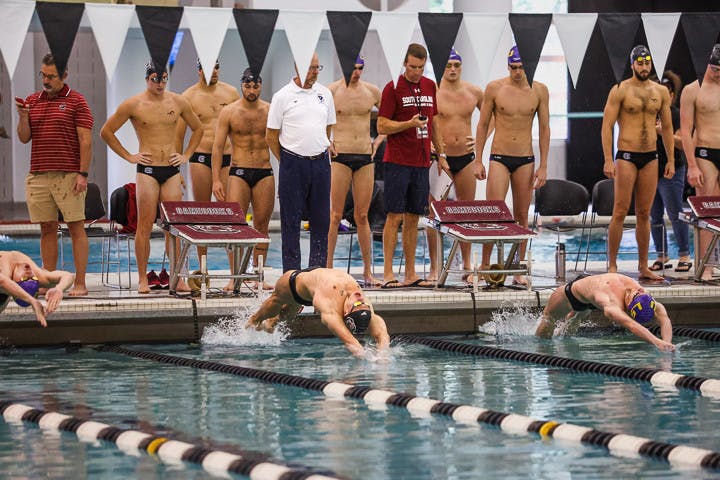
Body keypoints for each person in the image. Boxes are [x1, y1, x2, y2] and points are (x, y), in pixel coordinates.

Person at [101, 61, 203, 293]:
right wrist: (129, 156)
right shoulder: (133, 104)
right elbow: (106, 131)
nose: (159, 83)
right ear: (147, 79)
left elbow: (199, 129)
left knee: (174, 228)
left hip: (171, 170)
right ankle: (142, 278)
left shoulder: (178, 101)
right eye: (155, 79)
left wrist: (186, 155)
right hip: (147, 172)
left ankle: (177, 278)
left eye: (163, 79)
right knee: (144, 226)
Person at [15, 53, 93, 296]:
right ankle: (47, 281)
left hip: (68, 175)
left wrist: (83, 173)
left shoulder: (77, 101)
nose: (46, 81)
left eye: (51, 76)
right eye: (43, 75)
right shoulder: (32, 101)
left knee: (75, 227)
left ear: (64, 75)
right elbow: (24, 137)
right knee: (47, 228)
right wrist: (23, 117)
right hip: (38, 174)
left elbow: (86, 141)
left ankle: (80, 283)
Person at [474, 46, 549, 286]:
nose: (517, 72)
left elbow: (545, 128)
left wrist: (544, 165)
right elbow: (483, 124)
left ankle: (516, 268)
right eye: (513, 67)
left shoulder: (539, 90)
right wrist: (477, 159)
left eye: (520, 67)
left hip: (526, 159)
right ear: (508, 66)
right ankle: (486, 267)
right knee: (491, 214)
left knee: (520, 216)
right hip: (499, 157)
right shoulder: (495, 89)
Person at [377, 43, 448, 289]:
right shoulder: (392, 88)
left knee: (413, 218)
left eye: (420, 67)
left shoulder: (430, 86)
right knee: (394, 216)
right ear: (404, 64)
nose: (416, 72)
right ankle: (387, 272)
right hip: (397, 161)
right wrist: (407, 124)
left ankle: (410, 273)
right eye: (412, 67)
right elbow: (382, 126)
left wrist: (441, 153)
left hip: (421, 162)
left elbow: (434, 123)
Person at [601, 45, 675, 281]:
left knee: (645, 213)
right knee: (620, 211)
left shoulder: (661, 91)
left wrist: (671, 159)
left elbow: (668, 128)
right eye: (640, 63)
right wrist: (607, 159)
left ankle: (643, 266)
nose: (644, 68)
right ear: (632, 64)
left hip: (651, 157)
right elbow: (606, 126)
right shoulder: (620, 90)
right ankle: (612, 265)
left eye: (647, 63)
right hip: (627, 156)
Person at [266, 52, 336, 272]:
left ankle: (316, 272)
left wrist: (316, 147)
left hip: (321, 164)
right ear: (297, 67)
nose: (315, 73)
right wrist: (288, 159)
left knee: (321, 221)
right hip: (292, 164)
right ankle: (292, 275)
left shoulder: (325, 94)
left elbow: (328, 127)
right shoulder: (282, 96)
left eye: (317, 68)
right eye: (311, 68)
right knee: (290, 222)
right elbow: (271, 135)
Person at [212, 68, 274, 290]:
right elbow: (218, 147)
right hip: (237, 172)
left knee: (261, 227)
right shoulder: (229, 111)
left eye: (255, 85)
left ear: (260, 85)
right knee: (234, 226)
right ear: (242, 85)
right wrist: (216, 180)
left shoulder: (270, 110)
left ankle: (258, 276)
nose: (251, 90)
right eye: (247, 86)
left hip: (264, 172)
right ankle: (234, 276)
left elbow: (280, 142)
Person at [427, 48, 484, 282]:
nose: (452, 69)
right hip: (440, 160)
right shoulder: (433, 92)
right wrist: (431, 145)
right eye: (448, 65)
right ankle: (434, 267)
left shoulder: (474, 92)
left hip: (466, 159)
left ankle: (467, 265)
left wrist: (480, 139)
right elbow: (423, 120)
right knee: (433, 214)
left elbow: (490, 118)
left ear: (461, 67)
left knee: (467, 211)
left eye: (456, 65)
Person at [326, 56, 383, 286]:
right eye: (354, 68)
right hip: (340, 157)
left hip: (364, 157)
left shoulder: (371, 91)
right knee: (335, 216)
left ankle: (368, 272)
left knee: (362, 216)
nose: (357, 72)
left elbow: (391, 117)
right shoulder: (331, 91)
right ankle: (328, 268)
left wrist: (378, 140)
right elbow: (316, 118)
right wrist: (326, 140)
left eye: (361, 68)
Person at [176, 59, 240, 266]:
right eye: (208, 68)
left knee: (230, 213)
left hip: (228, 158)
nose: (213, 72)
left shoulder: (231, 93)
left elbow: (239, 128)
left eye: (217, 67)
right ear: (199, 70)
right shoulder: (188, 97)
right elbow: (179, 135)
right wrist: (178, 168)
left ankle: (233, 271)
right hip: (201, 157)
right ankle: (203, 269)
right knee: (202, 213)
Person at [247, 268, 390, 357]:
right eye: (363, 304)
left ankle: (272, 322)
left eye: (359, 304)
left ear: (346, 311)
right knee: (273, 305)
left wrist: (381, 355)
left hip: (316, 292)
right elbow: (351, 342)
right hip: (295, 284)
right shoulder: (348, 301)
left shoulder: (345, 307)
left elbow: (378, 332)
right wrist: (378, 356)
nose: (360, 298)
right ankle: (252, 321)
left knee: (287, 315)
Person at [536, 272, 675, 352]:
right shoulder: (611, 302)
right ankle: (540, 349)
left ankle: (563, 340)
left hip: (593, 295)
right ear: (628, 300)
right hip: (571, 295)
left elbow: (664, 318)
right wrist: (657, 342)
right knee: (549, 319)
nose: (637, 290)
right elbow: (632, 326)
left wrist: (666, 343)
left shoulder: (643, 297)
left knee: (576, 319)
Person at [680, 44, 720, 282]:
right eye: (715, 68)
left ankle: (717, 262)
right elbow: (686, 131)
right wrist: (692, 165)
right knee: (706, 212)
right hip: (705, 153)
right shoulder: (692, 90)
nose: (717, 73)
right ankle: (705, 266)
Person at [649, 73, 691, 274]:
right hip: (650, 169)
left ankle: (684, 254)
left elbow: (683, 143)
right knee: (654, 215)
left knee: (675, 214)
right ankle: (661, 254)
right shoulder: (648, 114)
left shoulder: (676, 114)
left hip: (672, 170)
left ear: (672, 95)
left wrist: (662, 133)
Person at [0, 250, 75, 327]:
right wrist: (59, 288)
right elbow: (68, 275)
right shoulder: (38, 276)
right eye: (33, 278)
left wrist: (32, 301)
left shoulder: (5, 273)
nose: (29, 272)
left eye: (24, 279)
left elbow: (3, 281)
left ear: (14, 282)